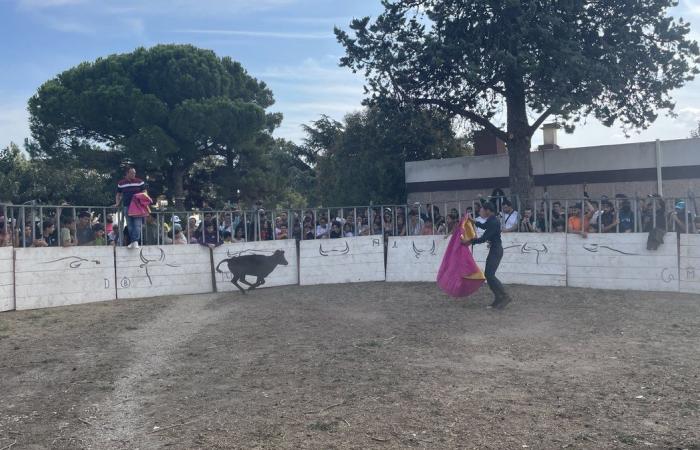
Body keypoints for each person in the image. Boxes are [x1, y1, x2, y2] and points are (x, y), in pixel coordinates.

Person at [463, 202, 512, 309]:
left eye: (482, 210)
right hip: (495, 249)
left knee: (489, 275)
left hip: (496, 250)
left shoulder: (493, 221)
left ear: (488, 210)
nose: (481, 212)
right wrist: (473, 221)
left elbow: (483, 238)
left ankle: (504, 296)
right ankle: (499, 297)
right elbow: (484, 226)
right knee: (489, 275)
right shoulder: (492, 220)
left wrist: (469, 241)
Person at [436, 211, 485, 298]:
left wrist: (448, 235)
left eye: (448, 219)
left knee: (458, 268)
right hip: (460, 248)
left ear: (453, 219)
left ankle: (459, 287)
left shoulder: (459, 225)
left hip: (459, 248)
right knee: (461, 268)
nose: (447, 220)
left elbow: (457, 232)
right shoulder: (459, 225)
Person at [115, 167, 146, 249]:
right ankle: (133, 241)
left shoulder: (140, 182)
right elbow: (118, 194)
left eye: (134, 173)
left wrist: (143, 200)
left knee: (137, 224)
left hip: (138, 206)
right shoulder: (121, 183)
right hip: (127, 206)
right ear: (127, 173)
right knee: (130, 225)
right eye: (132, 173)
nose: (134, 174)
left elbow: (144, 192)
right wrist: (117, 203)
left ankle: (135, 241)